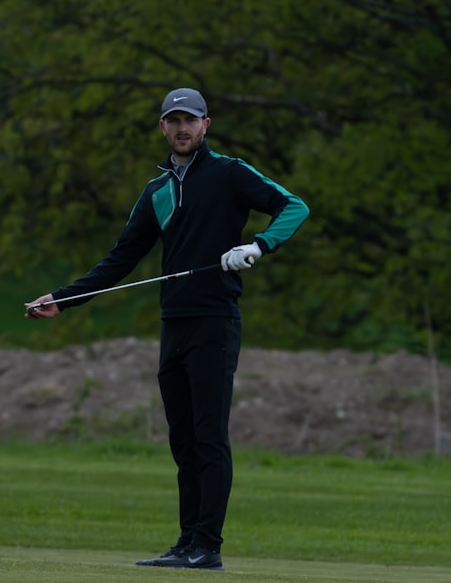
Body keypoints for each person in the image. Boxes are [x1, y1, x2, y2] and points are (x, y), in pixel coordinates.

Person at [24, 87, 309, 571]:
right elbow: (121, 259)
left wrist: (258, 246)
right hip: (173, 324)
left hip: (215, 321)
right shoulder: (156, 192)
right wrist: (65, 297)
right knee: (182, 439)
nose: (182, 128)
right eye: (173, 120)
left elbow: (294, 207)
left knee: (208, 435)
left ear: (205, 125)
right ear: (162, 127)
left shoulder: (229, 174)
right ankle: (186, 543)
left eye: (190, 120)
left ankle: (208, 547)